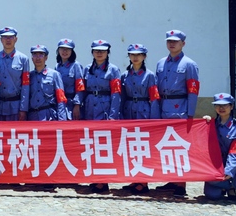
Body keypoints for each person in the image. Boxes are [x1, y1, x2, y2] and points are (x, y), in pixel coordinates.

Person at [155, 30, 199, 197]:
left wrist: (190, 114)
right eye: (169, 41)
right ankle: (172, 179)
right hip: (163, 108)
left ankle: (181, 184)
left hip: (180, 108)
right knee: (166, 145)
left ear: (183, 44)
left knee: (179, 146)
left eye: (175, 41)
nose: (172, 44)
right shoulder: (161, 63)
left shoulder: (189, 64)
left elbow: (193, 90)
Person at [120, 43, 161, 194]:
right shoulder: (125, 75)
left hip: (144, 111)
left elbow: (154, 98)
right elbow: (122, 97)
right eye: (132, 54)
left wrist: (154, 120)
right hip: (129, 111)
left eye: (138, 54)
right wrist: (120, 115)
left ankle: (143, 181)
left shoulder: (150, 76)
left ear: (144, 56)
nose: (135, 57)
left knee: (143, 146)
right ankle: (134, 179)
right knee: (131, 146)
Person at [82, 39, 122, 193]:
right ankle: (94, 178)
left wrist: (113, 115)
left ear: (107, 53)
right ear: (92, 52)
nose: (99, 53)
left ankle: (103, 180)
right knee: (91, 145)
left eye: (103, 51)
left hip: (105, 108)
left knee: (104, 145)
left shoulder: (113, 70)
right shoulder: (87, 69)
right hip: (90, 109)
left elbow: (116, 93)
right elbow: (83, 90)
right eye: (96, 50)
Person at [202, 93, 236, 200]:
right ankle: (228, 186)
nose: (221, 108)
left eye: (225, 105)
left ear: (231, 106)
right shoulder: (211, 124)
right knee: (212, 195)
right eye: (218, 105)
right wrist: (204, 122)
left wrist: (229, 171)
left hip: (232, 163)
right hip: (215, 164)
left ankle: (231, 185)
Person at [0, 27, 30, 121]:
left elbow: (25, 86)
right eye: (5, 37)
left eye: (11, 37)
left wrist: (23, 109)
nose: (8, 40)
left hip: (15, 107)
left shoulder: (23, 59)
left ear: (16, 39)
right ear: (1, 40)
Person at [27, 45, 67, 121]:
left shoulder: (54, 75)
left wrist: (62, 120)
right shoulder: (29, 76)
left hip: (48, 115)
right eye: (35, 55)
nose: (38, 58)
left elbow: (61, 98)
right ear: (32, 58)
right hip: (32, 116)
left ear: (46, 57)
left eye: (41, 55)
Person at [55, 39, 85, 120]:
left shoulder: (76, 65)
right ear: (58, 50)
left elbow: (80, 87)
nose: (64, 51)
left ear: (72, 51)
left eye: (67, 49)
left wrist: (77, 105)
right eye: (62, 49)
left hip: (71, 104)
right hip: (60, 104)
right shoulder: (57, 66)